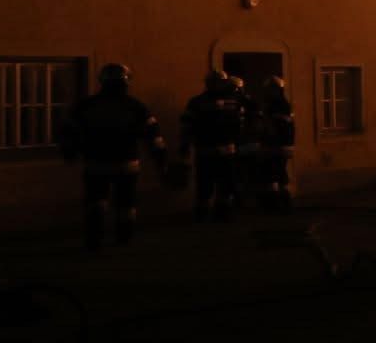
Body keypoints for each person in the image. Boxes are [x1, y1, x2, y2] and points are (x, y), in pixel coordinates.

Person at [58, 63, 167, 250]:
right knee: (126, 203)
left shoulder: (86, 106)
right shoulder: (135, 106)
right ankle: (123, 239)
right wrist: (160, 159)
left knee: (96, 202)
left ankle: (94, 239)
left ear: (102, 81)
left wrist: (70, 152)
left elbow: (69, 132)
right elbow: (153, 135)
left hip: (95, 162)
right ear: (126, 82)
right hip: (127, 163)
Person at [180, 69, 246, 221]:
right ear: (208, 84)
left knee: (226, 185)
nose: (218, 85)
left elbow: (240, 126)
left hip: (225, 150)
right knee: (205, 185)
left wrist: (239, 145)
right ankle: (203, 213)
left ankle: (223, 213)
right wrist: (184, 144)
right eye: (215, 82)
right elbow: (187, 125)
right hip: (206, 150)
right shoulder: (197, 102)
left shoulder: (233, 101)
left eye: (220, 82)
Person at [252, 76, 296, 212]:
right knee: (279, 173)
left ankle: (275, 203)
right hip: (284, 145)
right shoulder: (284, 104)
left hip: (275, 145)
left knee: (272, 174)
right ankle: (284, 203)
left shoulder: (275, 105)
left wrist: (264, 139)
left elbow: (271, 127)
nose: (267, 92)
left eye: (270, 90)